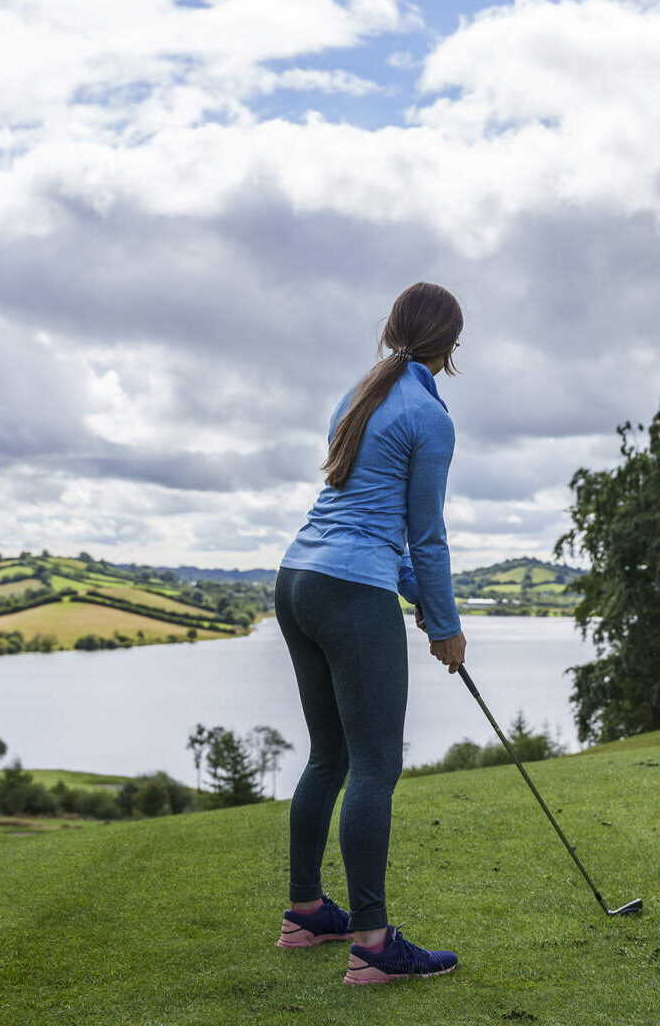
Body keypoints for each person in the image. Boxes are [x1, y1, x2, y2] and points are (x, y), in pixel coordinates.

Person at [272, 282, 467, 985]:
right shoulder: (429, 416)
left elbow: (372, 525)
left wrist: (415, 598)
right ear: (450, 350)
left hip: (297, 580)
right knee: (376, 766)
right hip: (350, 594)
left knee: (330, 757)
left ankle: (306, 912)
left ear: (391, 330)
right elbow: (426, 538)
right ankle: (375, 945)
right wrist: (444, 625)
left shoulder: (358, 394)